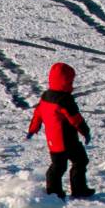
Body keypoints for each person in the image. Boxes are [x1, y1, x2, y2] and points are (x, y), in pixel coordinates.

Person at [26, 62, 94, 199]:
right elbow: (76, 119)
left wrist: (33, 129)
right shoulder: (65, 99)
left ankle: (54, 193)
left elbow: (38, 114)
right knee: (80, 161)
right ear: (66, 81)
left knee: (58, 166)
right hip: (67, 140)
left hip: (53, 141)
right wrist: (85, 132)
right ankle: (78, 189)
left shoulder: (46, 96)